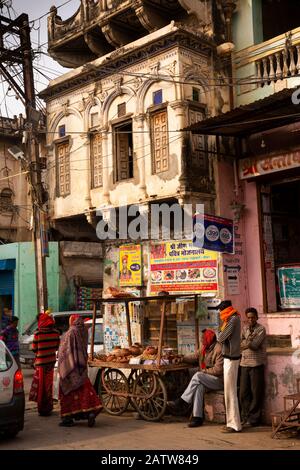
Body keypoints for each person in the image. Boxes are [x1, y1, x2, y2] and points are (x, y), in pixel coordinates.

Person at [167, 329, 224, 427]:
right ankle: (197, 418)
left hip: (218, 380)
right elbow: (195, 356)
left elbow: (218, 370)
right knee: (198, 388)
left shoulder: (219, 349)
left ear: (208, 339)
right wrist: (182, 358)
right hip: (207, 378)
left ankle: (182, 401)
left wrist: (204, 371)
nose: (201, 340)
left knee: (198, 375)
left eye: (203, 338)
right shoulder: (204, 347)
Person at [57, 314, 102, 427]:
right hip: (81, 366)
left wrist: (61, 360)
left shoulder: (70, 333)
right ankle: (90, 412)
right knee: (84, 391)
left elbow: (64, 350)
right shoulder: (84, 330)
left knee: (66, 392)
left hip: (70, 367)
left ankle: (68, 418)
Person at [218, 300, 242, 433]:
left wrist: (220, 332)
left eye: (221, 310)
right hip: (230, 358)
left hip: (231, 359)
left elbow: (221, 338)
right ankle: (232, 422)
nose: (220, 313)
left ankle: (233, 424)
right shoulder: (232, 318)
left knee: (230, 392)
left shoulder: (232, 319)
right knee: (230, 391)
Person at [29, 313, 60, 416]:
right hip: (51, 362)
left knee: (41, 387)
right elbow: (57, 347)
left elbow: (34, 348)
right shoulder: (56, 333)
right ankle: (48, 407)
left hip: (41, 363)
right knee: (48, 386)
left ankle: (42, 409)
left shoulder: (37, 334)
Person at [239, 307, 266, 426]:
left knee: (256, 392)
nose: (250, 319)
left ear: (257, 317)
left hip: (256, 364)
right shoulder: (244, 328)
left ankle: (254, 419)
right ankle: (245, 417)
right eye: (248, 317)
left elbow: (255, 345)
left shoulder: (261, 329)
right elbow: (239, 345)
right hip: (244, 364)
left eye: (253, 317)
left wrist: (247, 341)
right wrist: (247, 341)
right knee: (243, 392)